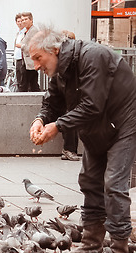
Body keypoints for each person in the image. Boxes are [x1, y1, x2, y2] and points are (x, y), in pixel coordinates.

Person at [29, 27, 136, 253]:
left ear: (54, 50)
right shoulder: (60, 69)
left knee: (114, 184)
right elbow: (52, 101)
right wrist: (40, 120)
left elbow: (92, 105)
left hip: (123, 125)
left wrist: (57, 126)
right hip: (95, 127)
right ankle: (91, 244)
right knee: (89, 180)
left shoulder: (93, 56)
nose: (35, 66)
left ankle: (119, 252)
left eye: (38, 58)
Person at [60, 30, 80, 161]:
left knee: (71, 121)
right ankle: (69, 149)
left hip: (72, 93)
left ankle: (70, 149)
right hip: (67, 94)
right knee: (70, 121)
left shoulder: (73, 57)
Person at [20, 12, 40, 91]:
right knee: (31, 83)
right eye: (22, 20)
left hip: (30, 62)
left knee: (27, 84)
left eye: (26, 19)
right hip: (26, 61)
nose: (23, 21)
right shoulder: (26, 31)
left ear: (31, 20)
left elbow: (34, 47)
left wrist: (21, 46)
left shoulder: (34, 30)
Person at [13, 13, 26, 92]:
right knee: (18, 79)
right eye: (18, 21)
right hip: (17, 58)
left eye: (21, 21)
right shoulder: (18, 33)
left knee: (22, 80)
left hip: (23, 59)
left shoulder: (25, 33)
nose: (19, 23)